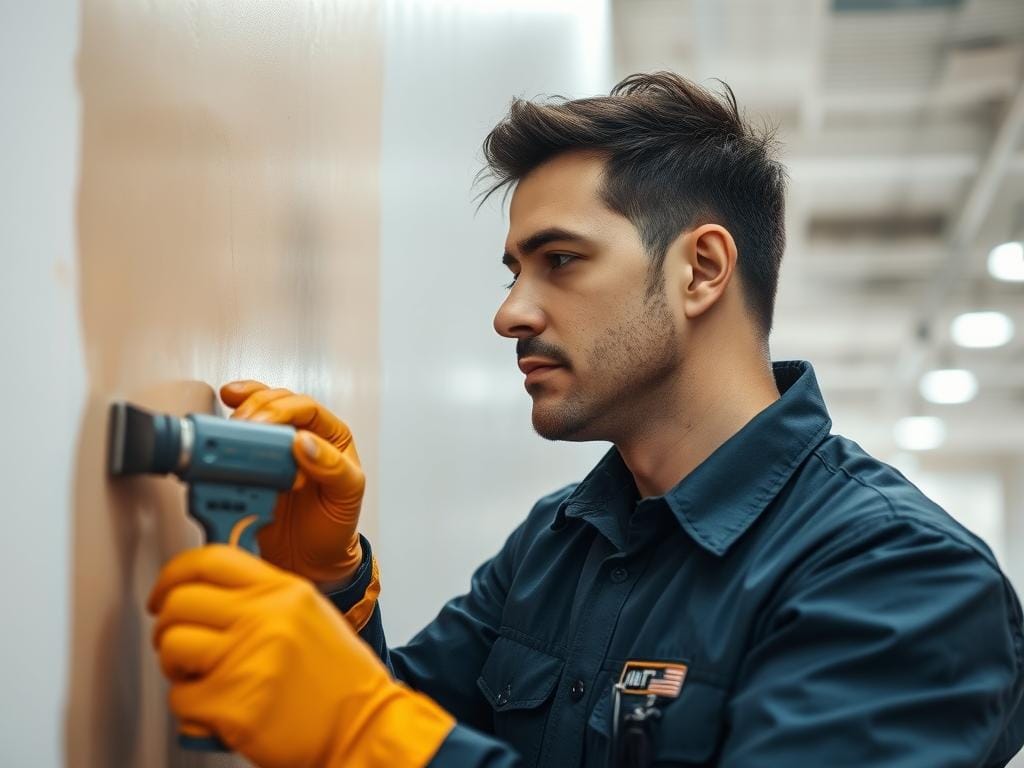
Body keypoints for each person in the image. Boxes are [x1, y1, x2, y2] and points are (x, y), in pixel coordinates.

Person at [147, 72, 1024, 768]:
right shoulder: (564, 540)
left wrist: (358, 733)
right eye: (513, 271)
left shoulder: (902, 579)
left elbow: (381, 741)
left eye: (561, 261)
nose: (511, 314)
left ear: (702, 270)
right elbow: (401, 721)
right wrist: (331, 586)